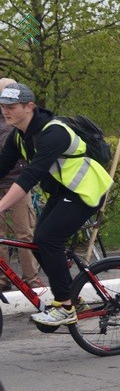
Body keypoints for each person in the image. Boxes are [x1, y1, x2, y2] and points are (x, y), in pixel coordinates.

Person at [0, 82, 112, 325]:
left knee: (48, 238)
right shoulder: (18, 136)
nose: (5, 111)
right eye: (2, 106)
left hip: (85, 191)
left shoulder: (54, 132)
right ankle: (73, 295)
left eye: (11, 106)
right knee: (39, 242)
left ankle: (65, 306)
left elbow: (30, 176)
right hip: (64, 192)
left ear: (29, 106)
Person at [0, 78, 40, 291]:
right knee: (0, 237)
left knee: (24, 233)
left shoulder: (20, 123)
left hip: (19, 184)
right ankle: (3, 278)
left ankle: (31, 278)